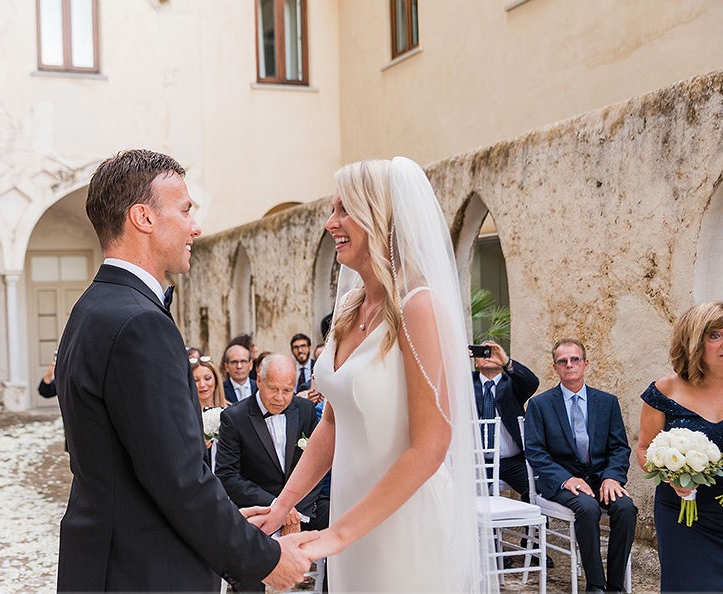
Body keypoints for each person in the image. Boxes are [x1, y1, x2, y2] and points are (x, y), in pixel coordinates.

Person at [54, 149, 314, 592]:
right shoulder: (141, 324)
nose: (195, 226)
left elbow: (132, 462)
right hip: (144, 573)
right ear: (143, 218)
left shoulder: (91, 308)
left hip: (102, 558)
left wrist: (228, 520)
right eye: (185, 210)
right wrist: (265, 559)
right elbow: (178, 480)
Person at [251, 158, 491, 592]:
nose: (330, 222)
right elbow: (332, 421)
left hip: (404, 518)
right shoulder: (348, 308)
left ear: (380, 217)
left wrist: (338, 533)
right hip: (351, 514)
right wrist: (282, 504)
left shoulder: (419, 307)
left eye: (344, 209)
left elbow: (431, 446)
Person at [524, 338, 636, 593]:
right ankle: (595, 585)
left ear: (585, 364)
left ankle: (616, 586)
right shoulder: (540, 405)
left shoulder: (607, 402)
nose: (569, 364)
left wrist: (612, 478)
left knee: (626, 508)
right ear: (555, 368)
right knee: (587, 508)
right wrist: (567, 479)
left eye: (575, 359)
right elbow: (535, 452)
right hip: (561, 482)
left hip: (600, 479)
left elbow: (619, 447)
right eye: (562, 361)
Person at [215, 354, 328, 592]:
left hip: (304, 515)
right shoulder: (234, 418)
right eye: (273, 389)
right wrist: (279, 508)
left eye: (287, 390)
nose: (280, 397)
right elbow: (228, 476)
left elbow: (318, 464)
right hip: (258, 517)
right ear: (259, 381)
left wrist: (297, 512)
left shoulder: (306, 410)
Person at [636, 301, 723, 592]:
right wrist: (672, 477)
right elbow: (644, 449)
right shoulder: (665, 391)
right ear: (694, 342)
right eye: (715, 335)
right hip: (684, 514)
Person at [472, 340, 539, 500]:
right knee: (467, 499)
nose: (488, 356)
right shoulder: (467, 383)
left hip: (512, 462)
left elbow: (532, 382)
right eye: (482, 352)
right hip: (476, 462)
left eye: (492, 352)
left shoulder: (512, 384)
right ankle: (485, 526)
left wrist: (506, 361)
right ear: (475, 360)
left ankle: (531, 525)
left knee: (534, 493)